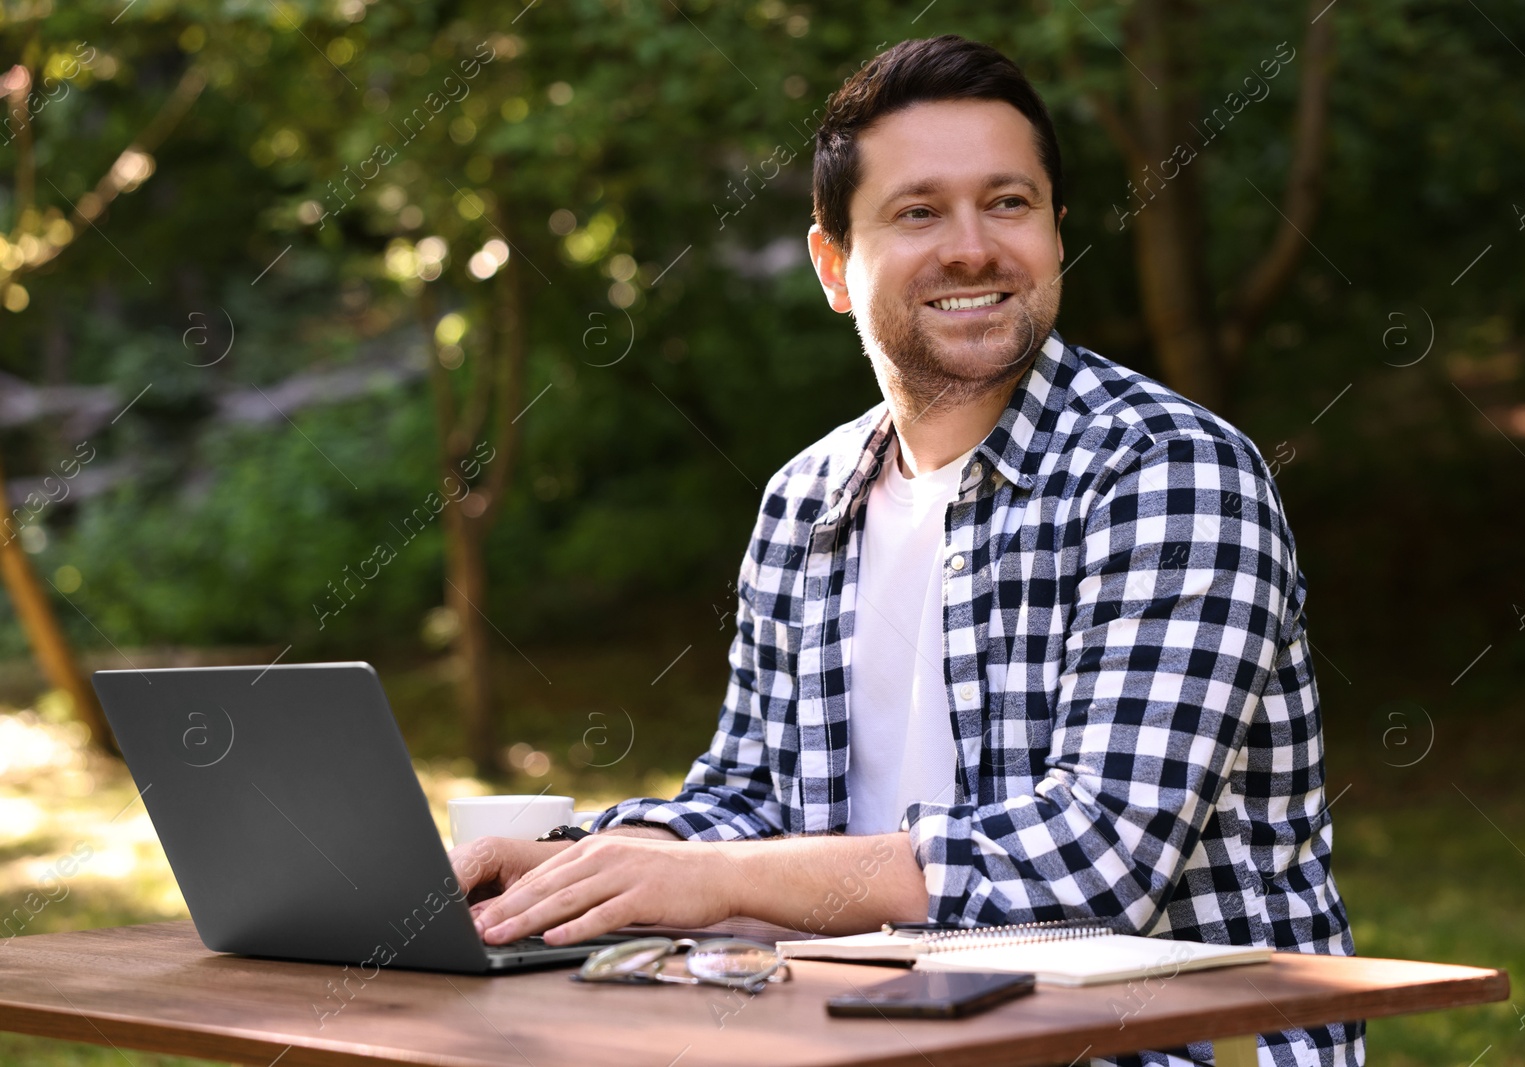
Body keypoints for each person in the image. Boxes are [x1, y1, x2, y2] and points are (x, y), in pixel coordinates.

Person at [451, 34, 1362, 1067]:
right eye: (919, 211)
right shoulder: (806, 500)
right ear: (834, 265)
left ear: (1057, 232)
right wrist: (589, 863)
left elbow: (1091, 859)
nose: (973, 247)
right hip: (864, 1040)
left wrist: (711, 882)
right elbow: (752, 795)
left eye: (1008, 202)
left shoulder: (1168, 474)